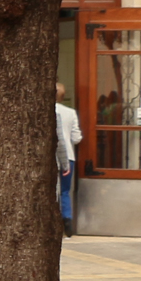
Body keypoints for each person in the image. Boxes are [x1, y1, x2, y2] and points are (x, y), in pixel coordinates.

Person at [55, 84, 82, 236]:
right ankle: (67, 221)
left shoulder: (42, 111)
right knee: (65, 191)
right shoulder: (70, 112)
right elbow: (76, 137)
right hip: (69, 156)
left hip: (50, 157)